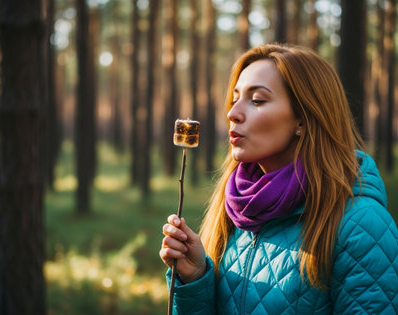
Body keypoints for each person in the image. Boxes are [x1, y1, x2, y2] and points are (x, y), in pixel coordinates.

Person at [159, 44, 398, 314]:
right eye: (235, 99)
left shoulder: (361, 225)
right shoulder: (237, 207)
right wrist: (195, 279)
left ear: (303, 120)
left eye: (257, 100)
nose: (233, 113)